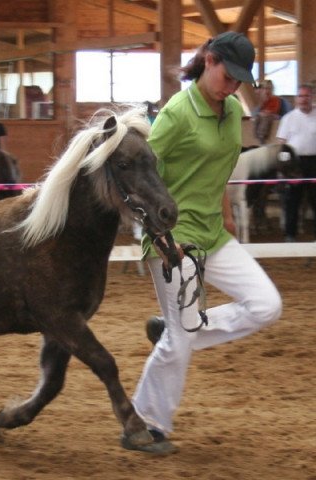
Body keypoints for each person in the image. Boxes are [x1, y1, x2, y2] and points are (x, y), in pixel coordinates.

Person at [126, 32, 282, 455]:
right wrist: (160, 238)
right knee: (180, 340)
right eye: (227, 75)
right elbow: (140, 179)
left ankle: (178, 330)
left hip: (213, 233)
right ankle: (144, 424)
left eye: (238, 80)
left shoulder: (232, 110)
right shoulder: (177, 113)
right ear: (208, 60)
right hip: (173, 239)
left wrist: (228, 213)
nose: (232, 86)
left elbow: (220, 167)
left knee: (267, 306)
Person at [275, 83, 316, 242]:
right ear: (296, 98)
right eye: (301, 96)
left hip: (314, 162)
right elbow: (281, 144)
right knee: (292, 200)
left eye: (307, 96)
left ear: (312, 97)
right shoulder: (288, 118)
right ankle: (290, 235)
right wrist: (284, 168)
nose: (303, 99)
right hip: (295, 164)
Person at [252, 79, 286, 144]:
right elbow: (257, 111)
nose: (266, 91)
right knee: (258, 117)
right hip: (265, 114)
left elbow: (276, 110)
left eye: (268, 89)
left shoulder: (276, 99)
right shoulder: (263, 100)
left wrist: (267, 113)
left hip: (275, 116)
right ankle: (256, 134)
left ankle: (263, 135)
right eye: (264, 89)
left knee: (266, 118)